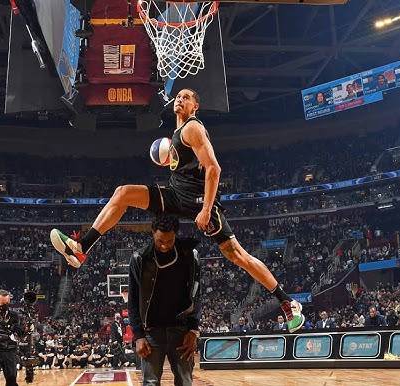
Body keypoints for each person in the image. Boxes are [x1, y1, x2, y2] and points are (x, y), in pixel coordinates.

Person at [51, 88, 305, 331]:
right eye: (178, 96)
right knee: (123, 193)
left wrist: (206, 209)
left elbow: (214, 169)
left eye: (186, 97)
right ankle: (82, 247)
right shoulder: (177, 132)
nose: (180, 99)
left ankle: (287, 302)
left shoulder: (193, 127)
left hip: (196, 201)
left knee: (238, 255)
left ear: (195, 106)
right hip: (174, 195)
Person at [128, 214, 201, 386]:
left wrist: (193, 330)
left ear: (176, 234)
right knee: (151, 382)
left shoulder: (190, 255)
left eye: (169, 241)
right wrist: (138, 335)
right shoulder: (139, 259)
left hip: (182, 331)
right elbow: (133, 301)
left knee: (185, 381)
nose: (165, 246)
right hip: (152, 332)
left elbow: (197, 294)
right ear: (153, 232)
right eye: (160, 241)